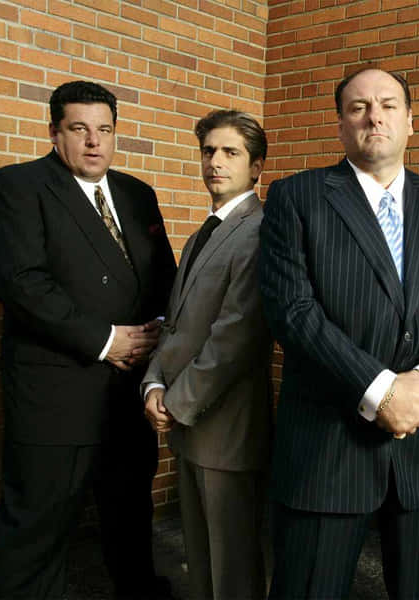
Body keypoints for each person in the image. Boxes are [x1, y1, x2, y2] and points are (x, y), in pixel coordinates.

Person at [259, 68, 419, 599]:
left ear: (411, 121)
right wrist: (381, 389)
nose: (374, 116)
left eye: (388, 105)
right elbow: (292, 311)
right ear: (341, 126)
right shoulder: (296, 197)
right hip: (328, 446)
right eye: (358, 107)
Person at [0, 81, 176, 599]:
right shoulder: (16, 187)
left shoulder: (139, 194)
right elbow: (22, 284)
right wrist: (105, 340)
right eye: (79, 129)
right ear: (54, 133)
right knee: (37, 532)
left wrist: (159, 327)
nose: (94, 142)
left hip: (129, 392)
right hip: (56, 396)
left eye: (105, 130)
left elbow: (164, 277)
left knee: (130, 518)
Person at [141, 110, 272, 600]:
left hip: (229, 430)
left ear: (256, 167)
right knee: (201, 565)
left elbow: (236, 336)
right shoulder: (203, 235)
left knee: (233, 572)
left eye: (230, 152)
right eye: (208, 151)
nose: (215, 162)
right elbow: (174, 325)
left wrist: (174, 402)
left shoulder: (260, 231)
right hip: (189, 425)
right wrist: (153, 383)